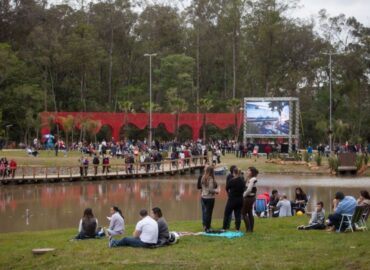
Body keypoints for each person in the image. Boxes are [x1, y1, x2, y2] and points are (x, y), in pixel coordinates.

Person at [200, 166, 218, 232]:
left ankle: (205, 226)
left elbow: (201, 187)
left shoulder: (203, 177)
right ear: (212, 171)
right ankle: (208, 227)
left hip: (203, 197)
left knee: (205, 212)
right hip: (209, 198)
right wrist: (216, 191)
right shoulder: (210, 179)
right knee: (209, 213)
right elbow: (210, 189)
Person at [242, 166, 258, 232]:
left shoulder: (252, 179)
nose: (247, 172)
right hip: (251, 198)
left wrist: (243, 195)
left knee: (243, 213)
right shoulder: (251, 179)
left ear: (252, 172)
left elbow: (249, 189)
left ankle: (248, 229)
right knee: (249, 212)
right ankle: (251, 229)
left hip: (249, 198)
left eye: (248, 171)